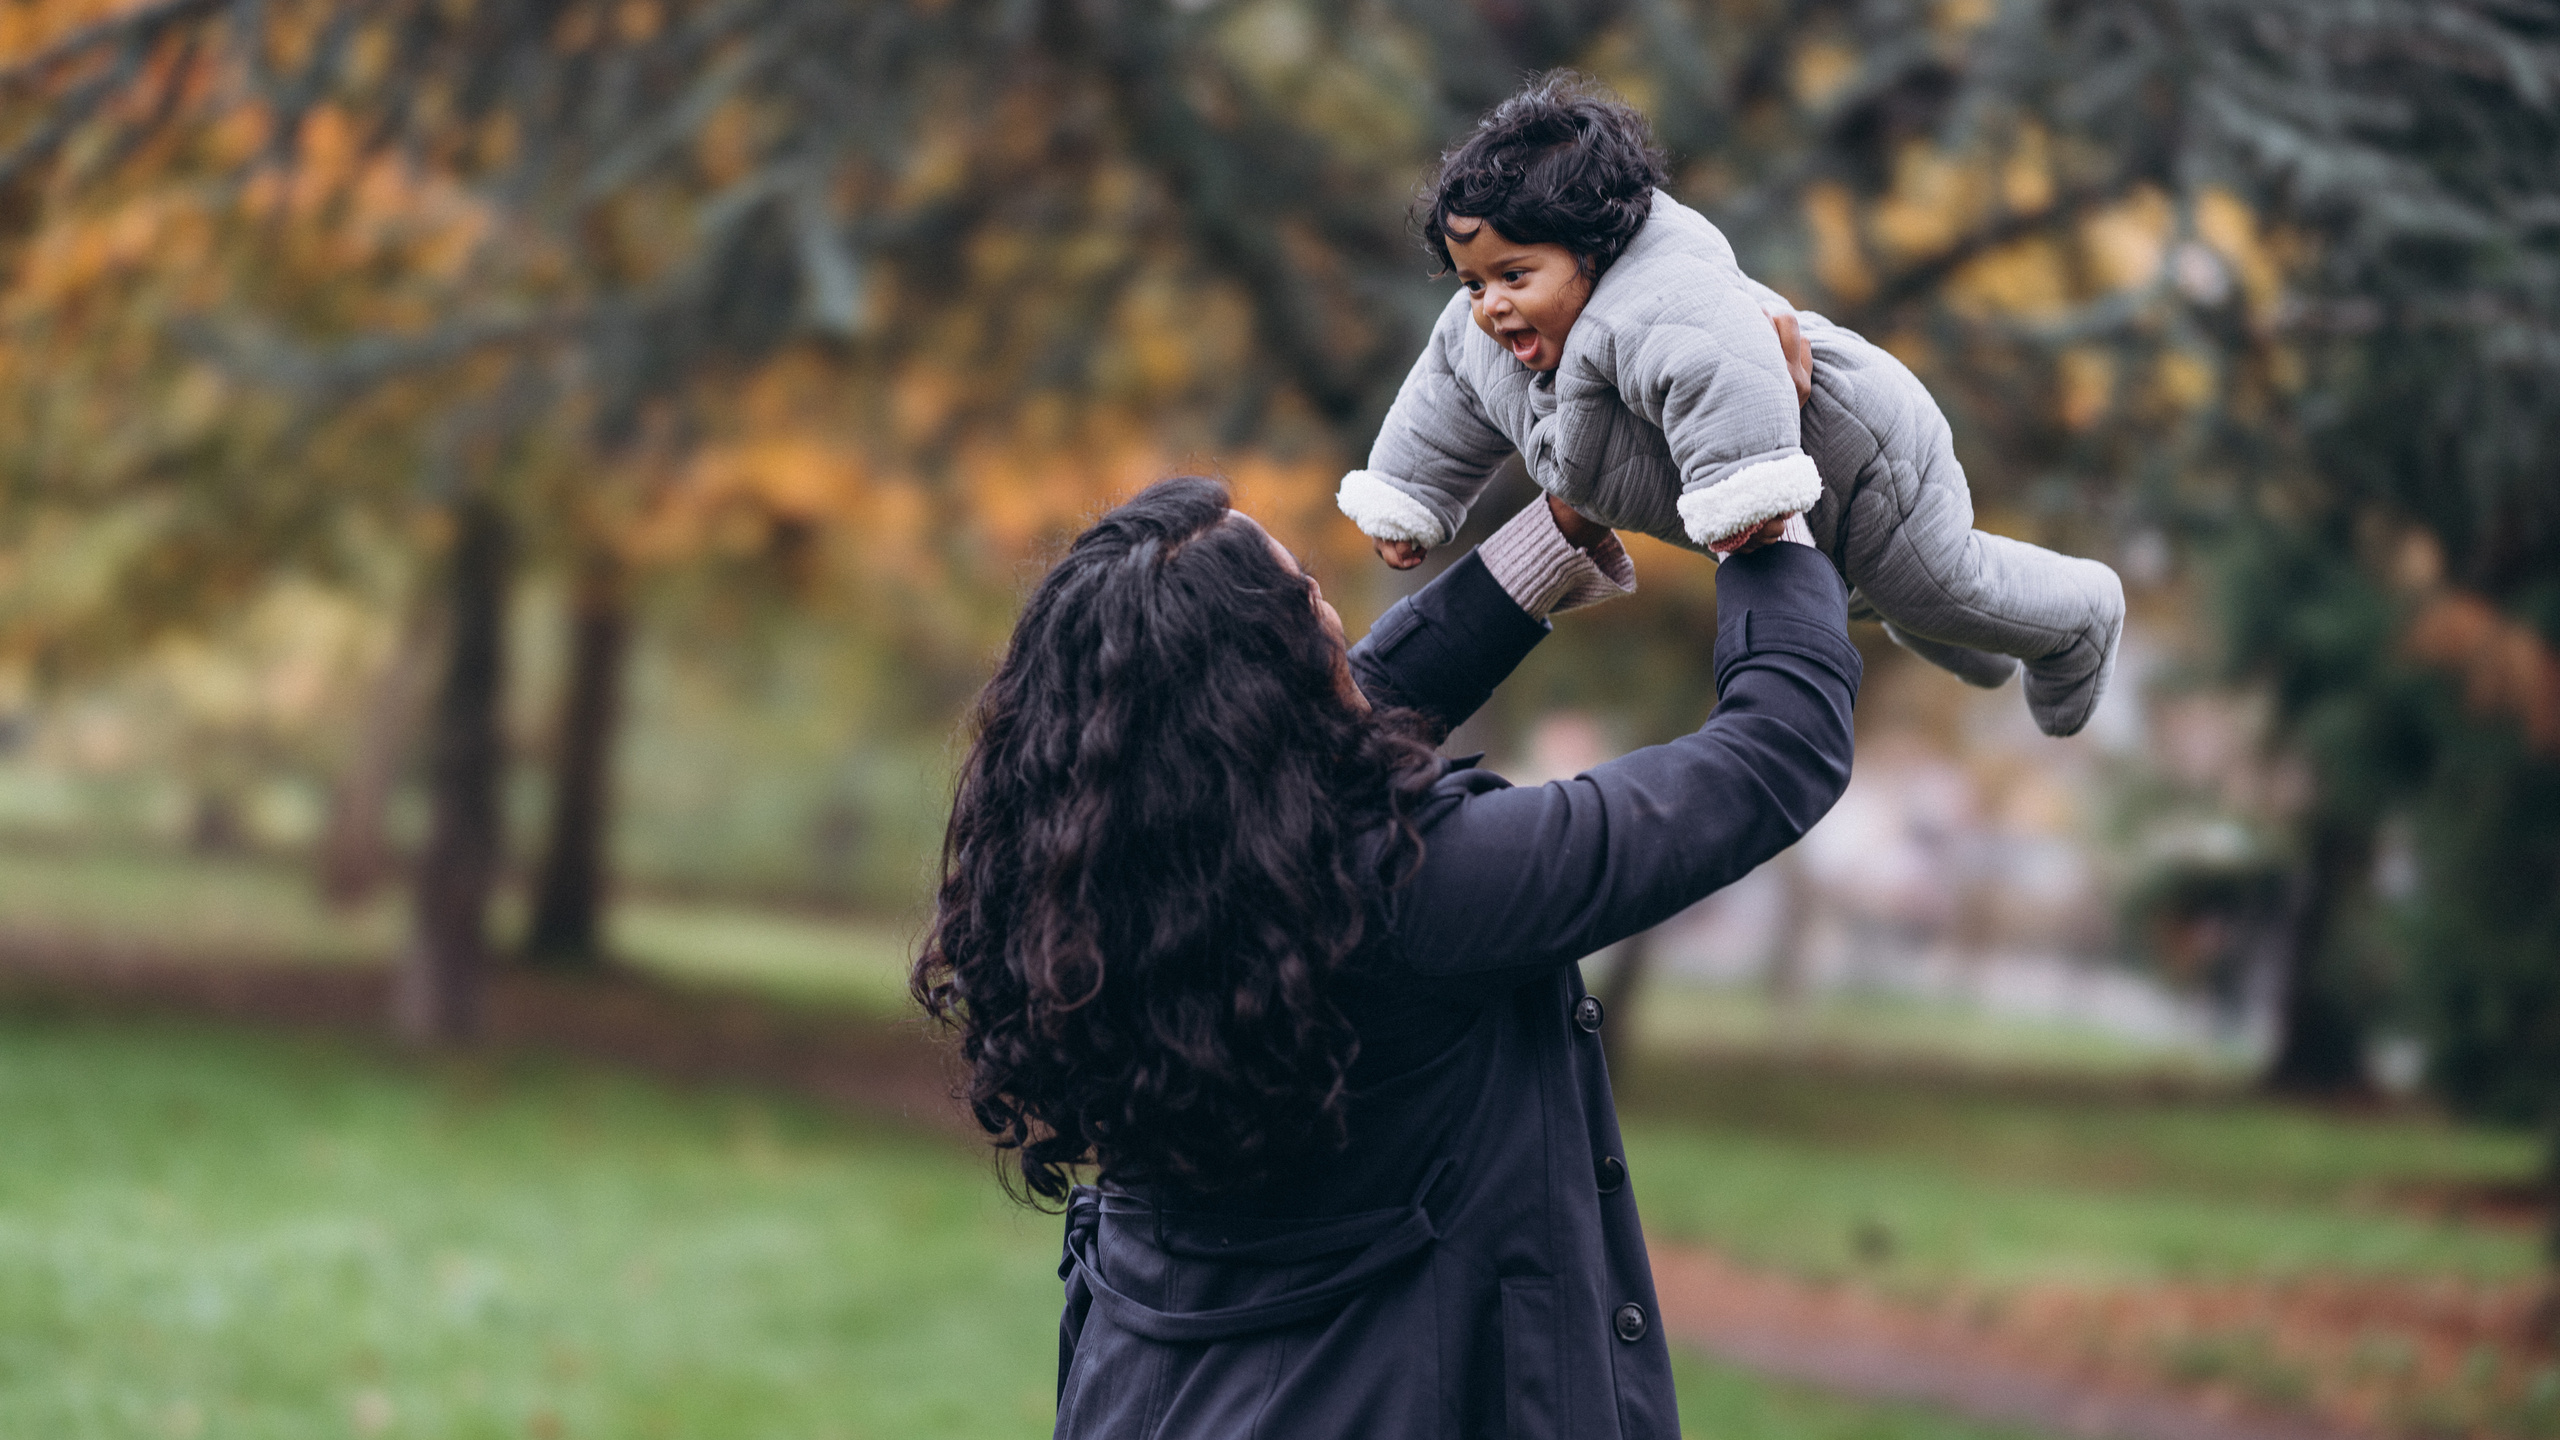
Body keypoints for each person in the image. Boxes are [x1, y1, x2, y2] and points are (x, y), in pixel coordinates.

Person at [914, 474, 1862, 1438]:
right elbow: (1773, 753)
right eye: (1306, 596)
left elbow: (1333, 715)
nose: (1332, 611)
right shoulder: (1415, 887)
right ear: (1266, 683)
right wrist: (1758, 508)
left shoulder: (1117, 875)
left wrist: (1560, 526)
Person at [1334, 73, 2125, 737]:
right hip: (1803, 507)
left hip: (1861, 456)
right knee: (1880, 597)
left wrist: (1743, 487)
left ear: (1591, 248)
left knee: (1936, 586)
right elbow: (1447, 387)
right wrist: (1410, 499)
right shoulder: (1490, 332)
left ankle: (2080, 620)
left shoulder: (1661, 302)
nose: (1490, 306)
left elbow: (1725, 372)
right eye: (1473, 282)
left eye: (1514, 277)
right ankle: (1976, 640)